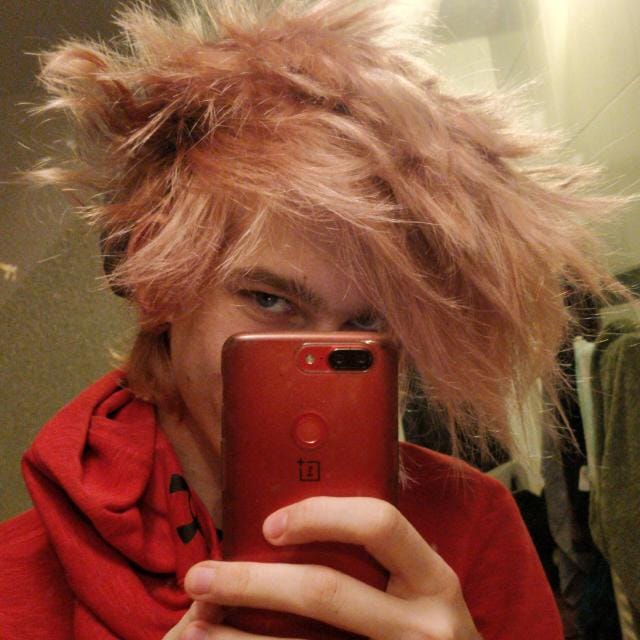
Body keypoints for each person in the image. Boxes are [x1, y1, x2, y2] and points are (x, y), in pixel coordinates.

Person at [0, 1, 622, 638]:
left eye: (366, 326)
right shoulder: (15, 580)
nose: (316, 362)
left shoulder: (472, 524)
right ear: (160, 279)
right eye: (269, 300)